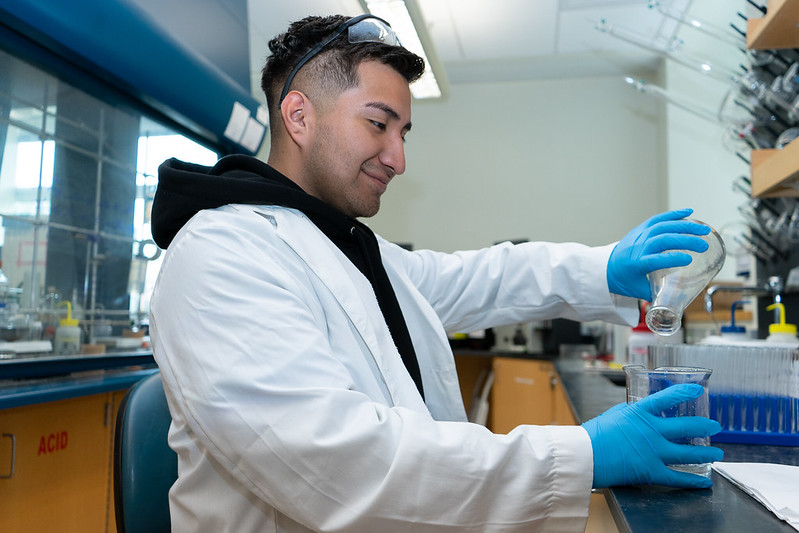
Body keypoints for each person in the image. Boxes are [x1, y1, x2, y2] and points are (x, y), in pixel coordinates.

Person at [149, 14, 723, 532]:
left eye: (403, 133)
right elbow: (339, 469)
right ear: (299, 115)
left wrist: (604, 268)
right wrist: (581, 455)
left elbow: (481, 278)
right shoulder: (221, 255)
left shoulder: (342, 247)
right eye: (379, 124)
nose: (398, 159)